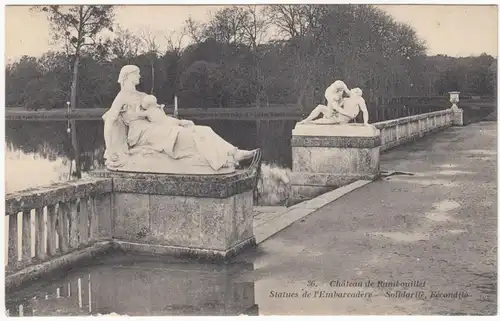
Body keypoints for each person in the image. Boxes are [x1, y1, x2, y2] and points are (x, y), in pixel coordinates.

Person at [102, 65, 257, 172]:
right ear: (128, 76)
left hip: (156, 127)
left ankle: (231, 152)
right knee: (187, 136)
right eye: (137, 73)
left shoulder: (142, 96)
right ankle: (224, 157)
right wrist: (109, 149)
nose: (139, 76)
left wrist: (178, 121)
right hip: (142, 134)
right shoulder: (121, 97)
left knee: (202, 129)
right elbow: (109, 122)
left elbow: (158, 116)